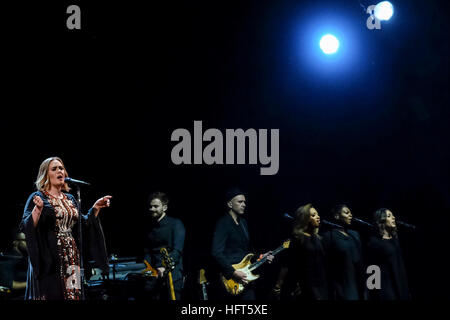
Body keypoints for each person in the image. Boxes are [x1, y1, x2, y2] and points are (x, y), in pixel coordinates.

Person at [21, 156, 111, 300]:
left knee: (73, 294)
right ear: (46, 174)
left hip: (71, 255)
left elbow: (83, 223)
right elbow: (26, 226)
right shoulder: (38, 196)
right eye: (54, 169)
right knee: (54, 294)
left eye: (61, 168)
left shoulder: (70, 199)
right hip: (50, 258)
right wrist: (37, 210)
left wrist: (95, 208)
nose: (59, 171)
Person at [211, 188, 273, 300]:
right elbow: (216, 252)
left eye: (244, 202)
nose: (244, 204)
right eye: (240, 202)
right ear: (230, 204)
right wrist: (233, 272)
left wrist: (260, 257)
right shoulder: (223, 223)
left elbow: (245, 251)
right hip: (230, 278)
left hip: (245, 276)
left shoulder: (243, 223)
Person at [273, 204, 328, 300]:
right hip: (306, 287)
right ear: (305, 218)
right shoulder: (297, 239)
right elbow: (287, 265)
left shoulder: (318, 238)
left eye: (317, 214)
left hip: (322, 285)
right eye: (313, 215)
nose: (318, 217)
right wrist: (278, 286)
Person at [144, 191, 185, 300]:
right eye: (150, 206)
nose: (151, 209)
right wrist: (150, 269)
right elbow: (148, 252)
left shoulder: (176, 224)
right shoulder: (149, 227)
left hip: (172, 272)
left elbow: (177, 251)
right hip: (155, 275)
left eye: (155, 206)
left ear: (165, 207)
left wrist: (164, 267)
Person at [321, 204, 366, 300]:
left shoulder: (355, 234)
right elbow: (326, 264)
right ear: (337, 216)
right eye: (346, 213)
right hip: (343, 286)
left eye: (350, 213)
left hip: (359, 284)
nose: (351, 215)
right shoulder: (329, 236)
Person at [366, 208, 410, 300]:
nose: (393, 218)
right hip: (386, 289)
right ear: (382, 220)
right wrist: (375, 293)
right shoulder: (375, 242)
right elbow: (372, 269)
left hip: (400, 285)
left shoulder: (395, 240)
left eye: (393, 215)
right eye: (389, 216)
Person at [0, 231, 28, 299]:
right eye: (25, 240)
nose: (29, 243)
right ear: (15, 242)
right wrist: (31, 283)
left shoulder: (25, 258)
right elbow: (10, 284)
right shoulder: (7, 259)